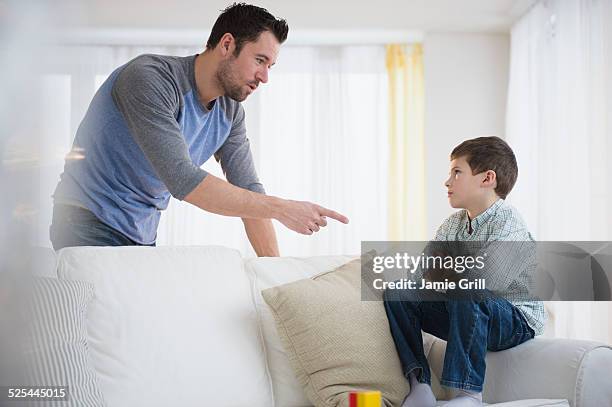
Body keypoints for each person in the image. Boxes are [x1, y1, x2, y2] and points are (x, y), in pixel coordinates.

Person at [50, 3, 348, 254]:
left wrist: (277, 277)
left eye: (271, 65)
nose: (265, 77)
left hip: (141, 235)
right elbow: (183, 178)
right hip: (85, 221)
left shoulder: (230, 113)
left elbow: (249, 193)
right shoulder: (150, 79)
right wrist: (283, 209)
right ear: (227, 44)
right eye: (260, 60)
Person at [383, 136, 545, 407]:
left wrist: (447, 274)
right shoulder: (452, 225)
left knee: (469, 288)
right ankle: (419, 385)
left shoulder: (508, 220)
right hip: (465, 309)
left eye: (457, 172)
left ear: (487, 178)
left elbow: (487, 281)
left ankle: (469, 394)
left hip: (514, 320)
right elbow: (420, 278)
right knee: (400, 293)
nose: (447, 182)